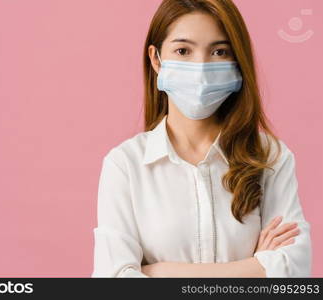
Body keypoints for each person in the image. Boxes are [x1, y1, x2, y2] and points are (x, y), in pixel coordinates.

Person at [91, 0, 312, 278]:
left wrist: (159, 272)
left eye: (219, 52)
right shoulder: (125, 165)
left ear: (237, 62)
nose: (201, 68)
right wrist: (258, 267)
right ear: (156, 59)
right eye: (183, 50)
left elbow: (294, 272)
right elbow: (112, 280)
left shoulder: (270, 157)